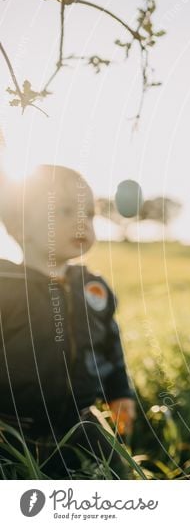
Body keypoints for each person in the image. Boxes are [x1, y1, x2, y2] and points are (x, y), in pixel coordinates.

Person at [0, 165, 136, 478]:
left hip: (80, 418)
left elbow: (111, 345)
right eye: (63, 211)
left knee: (117, 475)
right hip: (11, 424)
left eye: (89, 213)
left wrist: (120, 392)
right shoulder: (6, 285)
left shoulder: (92, 288)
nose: (82, 223)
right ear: (20, 227)